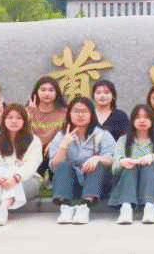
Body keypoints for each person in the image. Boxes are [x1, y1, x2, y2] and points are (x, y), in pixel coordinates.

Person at [49, 96, 116, 225]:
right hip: (71, 185)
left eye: (84, 111)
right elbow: (55, 166)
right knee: (64, 165)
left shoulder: (102, 135)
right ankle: (65, 208)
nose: (80, 115)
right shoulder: (61, 136)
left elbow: (113, 159)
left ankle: (84, 207)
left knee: (98, 164)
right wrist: (64, 146)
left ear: (92, 114)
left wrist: (97, 158)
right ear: (69, 114)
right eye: (76, 111)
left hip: (96, 185)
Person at [0, 103, 43, 226]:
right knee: (0, 169)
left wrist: (16, 178)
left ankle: (3, 209)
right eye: (10, 117)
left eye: (18, 118)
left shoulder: (34, 140)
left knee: (8, 170)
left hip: (27, 180)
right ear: (4, 120)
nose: (14, 121)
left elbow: (31, 165)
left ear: (25, 121)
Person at [110, 104, 154, 224]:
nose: (142, 120)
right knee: (130, 168)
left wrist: (153, 158)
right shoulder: (123, 140)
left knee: (148, 167)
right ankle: (126, 208)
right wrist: (122, 162)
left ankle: (150, 208)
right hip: (127, 180)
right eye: (138, 117)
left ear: (152, 121)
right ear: (132, 121)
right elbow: (114, 168)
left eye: (146, 117)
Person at [27, 76, 67, 176]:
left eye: (51, 90)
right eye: (43, 90)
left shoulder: (64, 112)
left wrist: (52, 144)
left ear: (56, 93)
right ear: (36, 92)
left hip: (55, 150)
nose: (47, 93)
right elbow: (22, 135)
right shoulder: (28, 110)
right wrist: (30, 115)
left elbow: (67, 133)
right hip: (33, 150)